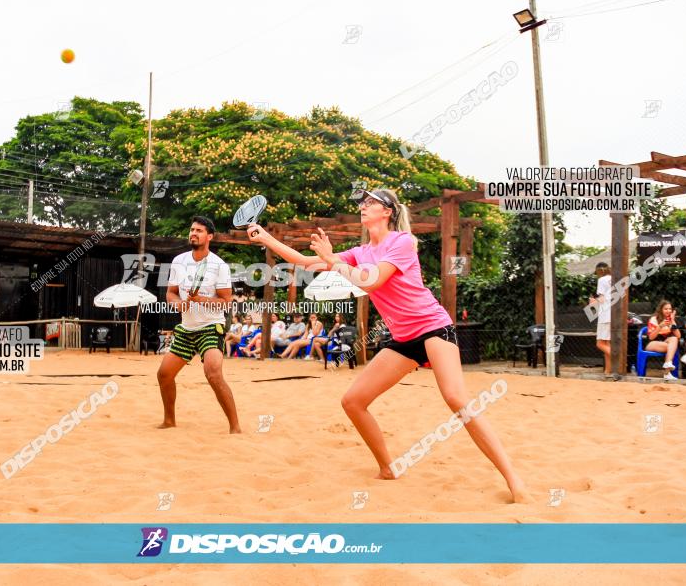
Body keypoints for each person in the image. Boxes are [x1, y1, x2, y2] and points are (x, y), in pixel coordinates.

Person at [247, 188, 530, 503]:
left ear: (388, 212)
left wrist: (331, 259)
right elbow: (303, 261)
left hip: (434, 327)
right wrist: (265, 238)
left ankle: (513, 479)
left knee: (455, 398)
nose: (363, 207)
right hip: (405, 339)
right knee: (353, 401)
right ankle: (388, 468)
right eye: (362, 203)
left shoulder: (403, 242)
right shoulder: (359, 251)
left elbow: (372, 281)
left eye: (371, 203)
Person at [156, 216, 241, 433]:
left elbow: (225, 301)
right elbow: (171, 293)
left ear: (209, 236)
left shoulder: (219, 266)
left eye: (199, 231)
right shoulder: (178, 261)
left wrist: (199, 300)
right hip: (186, 328)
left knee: (212, 373)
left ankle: (235, 427)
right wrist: (179, 305)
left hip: (211, 326)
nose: (193, 233)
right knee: (164, 374)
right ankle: (169, 421)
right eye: (192, 229)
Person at [645, 299, 680, 380]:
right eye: (666, 309)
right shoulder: (654, 319)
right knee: (672, 347)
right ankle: (667, 372)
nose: (668, 311)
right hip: (652, 343)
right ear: (661, 309)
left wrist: (673, 321)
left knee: (674, 339)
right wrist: (660, 326)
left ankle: (667, 366)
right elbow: (651, 337)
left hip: (665, 343)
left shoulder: (670, 321)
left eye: (670, 309)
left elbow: (678, 336)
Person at [589, 262, 612, 375]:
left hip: (605, 315)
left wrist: (593, 302)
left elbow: (602, 300)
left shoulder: (602, 280)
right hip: (614, 315)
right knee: (607, 344)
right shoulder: (614, 278)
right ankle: (608, 371)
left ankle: (619, 359)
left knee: (600, 344)